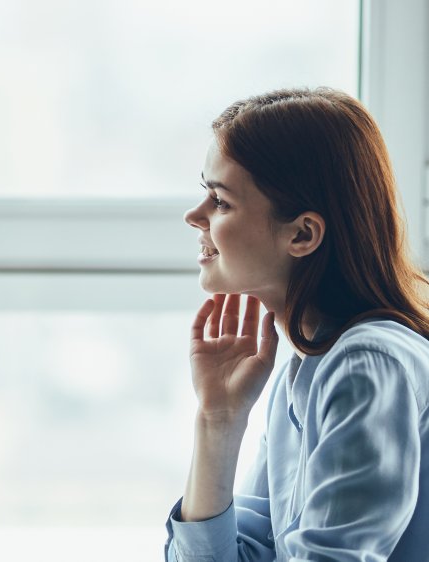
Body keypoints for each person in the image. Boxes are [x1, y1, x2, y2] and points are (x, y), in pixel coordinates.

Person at [165, 87, 429, 560]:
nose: (194, 215)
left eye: (220, 202)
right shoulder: (305, 370)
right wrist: (217, 420)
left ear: (303, 234)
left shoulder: (365, 364)